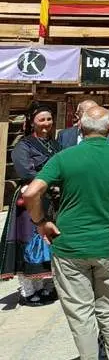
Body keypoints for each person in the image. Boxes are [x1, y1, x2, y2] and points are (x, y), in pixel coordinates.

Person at [22, 104, 109, 360]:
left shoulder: (64, 158)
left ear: (80, 126)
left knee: (81, 313)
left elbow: (31, 192)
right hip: (108, 244)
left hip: (69, 245)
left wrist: (41, 222)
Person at [0, 102, 61, 305]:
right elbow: (26, 171)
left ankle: (46, 286)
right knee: (29, 242)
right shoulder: (23, 146)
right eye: (41, 119)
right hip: (30, 197)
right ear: (32, 122)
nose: (46, 123)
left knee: (49, 241)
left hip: (52, 199)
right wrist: (49, 183)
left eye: (49, 119)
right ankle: (28, 291)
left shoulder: (55, 145)